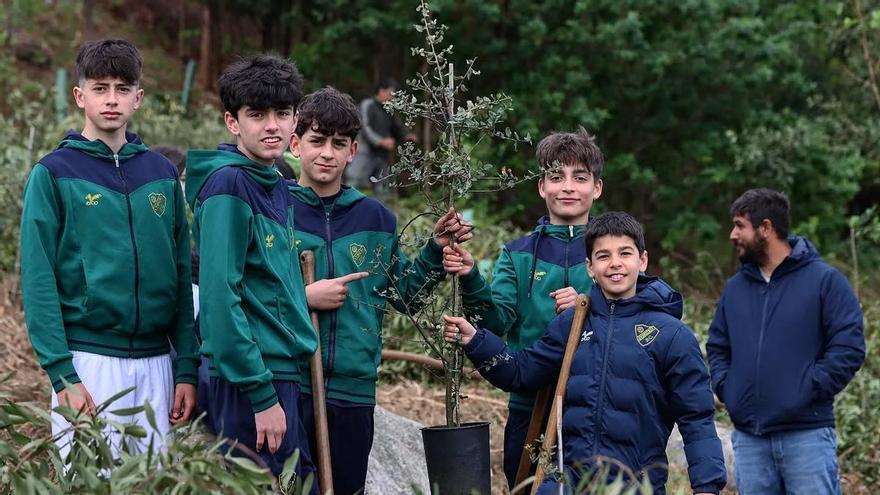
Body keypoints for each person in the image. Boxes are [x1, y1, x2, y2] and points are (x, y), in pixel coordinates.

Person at [443, 212, 727, 494]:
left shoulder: (672, 334)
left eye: (625, 253)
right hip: (570, 479)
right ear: (590, 267)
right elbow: (521, 373)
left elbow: (696, 418)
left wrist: (706, 487)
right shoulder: (575, 321)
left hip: (634, 484)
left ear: (642, 260)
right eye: (603, 256)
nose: (615, 263)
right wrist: (475, 340)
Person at [287, 86, 472, 494]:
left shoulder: (376, 217)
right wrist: (305, 297)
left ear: (353, 151)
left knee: (349, 485)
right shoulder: (275, 209)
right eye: (316, 141)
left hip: (354, 386)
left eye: (339, 144)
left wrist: (435, 251)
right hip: (291, 381)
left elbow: (404, 295)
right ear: (294, 143)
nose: (327, 154)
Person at [19, 39, 199, 457]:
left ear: (139, 97)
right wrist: (62, 375)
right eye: (100, 88)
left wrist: (186, 366)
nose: (112, 99)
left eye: (122, 88)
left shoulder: (161, 174)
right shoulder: (54, 174)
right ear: (80, 95)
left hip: (158, 363)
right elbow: (39, 279)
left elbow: (179, 272)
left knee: (153, 483)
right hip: (88, 363)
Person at [184, 54, 317, 481]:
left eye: (282, 114)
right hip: (251, 377)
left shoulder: (276, 184)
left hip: (282, 370)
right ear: (232, 121)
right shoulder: (229, 185)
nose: (272, 126)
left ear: (296, 118)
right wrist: (261, 395)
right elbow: (221, 299)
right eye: (257, 115)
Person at [445, 128, 601, 489]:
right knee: (524, 482)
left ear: (597, 188)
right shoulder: (516, 254)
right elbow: (496, 321)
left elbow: (628, 304)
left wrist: (585, 303)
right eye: (556, 177)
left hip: (591, 402)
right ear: (541, 186)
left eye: (580, 178)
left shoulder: (609, 251)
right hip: (527, 402)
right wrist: (471, 277)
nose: (567, 187)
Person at [706, 188, 865, 494]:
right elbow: (718, 346)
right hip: (750, 439)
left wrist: (810, 387)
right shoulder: (736, 289)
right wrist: (728, 387)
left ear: (766, 228)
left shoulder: (824, 281)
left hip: (807, 437)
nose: (732, 234)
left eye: (740, 225)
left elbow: (849, 346)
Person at [344, 78, 414, 198]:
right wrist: (380, 141)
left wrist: (406, 135)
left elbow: (396, 127)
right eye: (391, 92)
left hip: (382, 155)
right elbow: (364, 126)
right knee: (354, 183)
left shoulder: (388, 110)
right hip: (364, 151)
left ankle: (378, 215)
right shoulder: (368, 105)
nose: (393, 96)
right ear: (381, 91)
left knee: (382, 189)